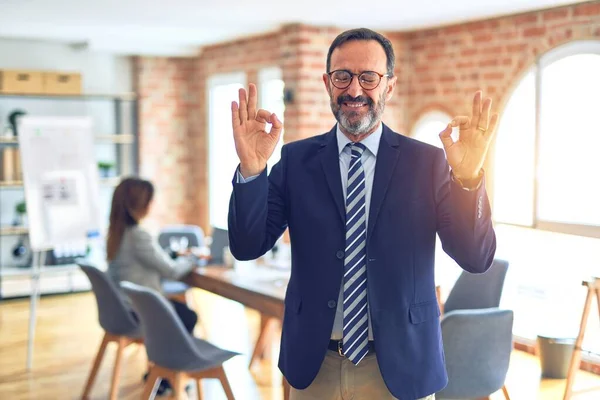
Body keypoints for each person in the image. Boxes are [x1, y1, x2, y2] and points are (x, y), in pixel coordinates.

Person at [228, 27, 498, 400]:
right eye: (343, 76)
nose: (354, 90)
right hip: (315, 366)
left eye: (369, 77)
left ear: (389, 86)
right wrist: (252, 171)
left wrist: (467, 180)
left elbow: (475, 256)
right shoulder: (295, 161)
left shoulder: (428, 163)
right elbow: (246, 245)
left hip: (401, 368)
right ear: (327, 83)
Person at [106, 177, 198, 395]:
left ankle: (162, 371)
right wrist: (195, 259)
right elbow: (172, 271)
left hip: (125, 307)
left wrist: (173, 256)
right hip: (140, 311)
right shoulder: (139, 235)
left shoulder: (117, 233)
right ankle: (169, 374)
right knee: (187, 316)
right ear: (141, 204)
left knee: (180, 312)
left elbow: (153, 261)